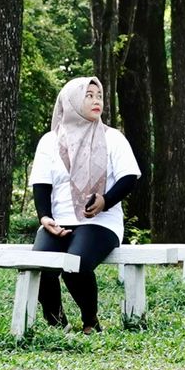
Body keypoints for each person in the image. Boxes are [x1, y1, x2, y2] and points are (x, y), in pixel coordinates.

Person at [30, 76, 141, 332]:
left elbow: (129, 177)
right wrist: (45, 217)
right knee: (41, 268)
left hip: (100, 222)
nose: (95, 101)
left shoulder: (112, 138)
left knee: (75, 266)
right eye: (88, 96)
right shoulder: (50, 141)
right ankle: (57, 324)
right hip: (58, 221)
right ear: (71, 101)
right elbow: (41, 183)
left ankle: (90, 322)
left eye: (98, 96)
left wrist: (105, 201)